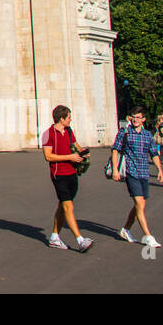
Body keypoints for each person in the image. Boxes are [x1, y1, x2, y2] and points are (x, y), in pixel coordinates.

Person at [41, 104, 93, 252]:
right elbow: (48, 156)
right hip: (59, 175)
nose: (71, 119)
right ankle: (80, 240)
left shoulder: (69, 131)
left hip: (72, 174)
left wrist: (83, 152)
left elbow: (77, 147)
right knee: (68, 207)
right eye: (69, 117)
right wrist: (69, 157)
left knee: (62, 207)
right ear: (61, 118)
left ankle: (54, 237)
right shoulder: (48, 134)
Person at [111, 107, 163, 248]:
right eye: (133, 117)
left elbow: (154, 154)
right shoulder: (125, 133)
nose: (135, 119)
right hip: (131, 172)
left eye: (138, 117)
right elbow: (115, 150)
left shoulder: (147, 135)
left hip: (144, 172)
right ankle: (148, 236)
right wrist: (115, 169)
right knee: (139, 204)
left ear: (143, 119)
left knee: (140, 205)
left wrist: (160, 170)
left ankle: (126, 229)